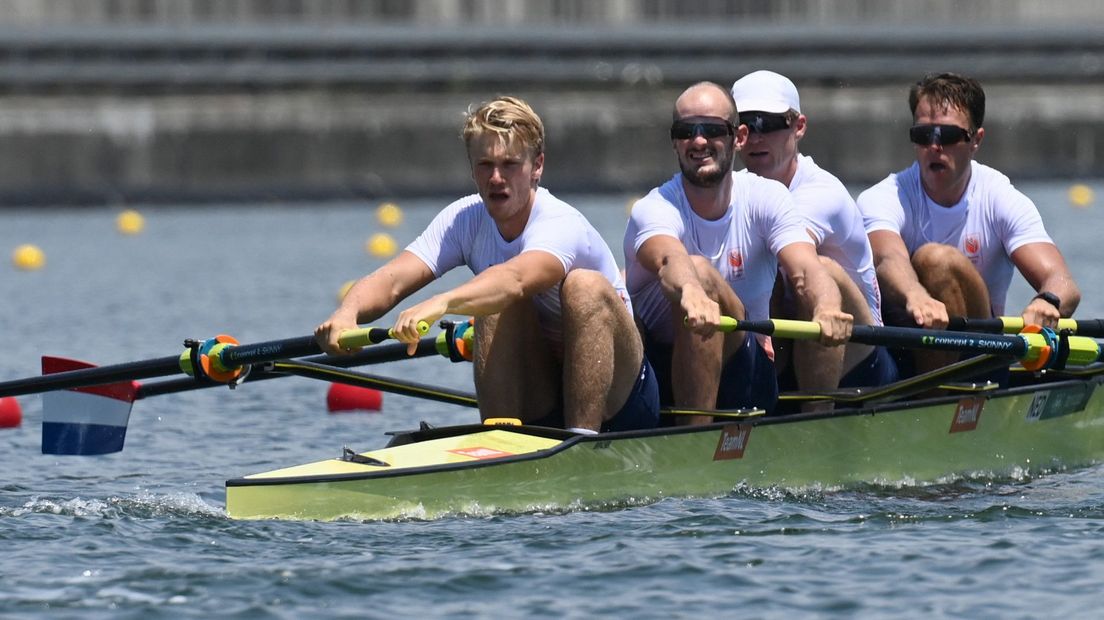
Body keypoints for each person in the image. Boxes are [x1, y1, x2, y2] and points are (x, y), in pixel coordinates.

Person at [316, 96, 659, 434]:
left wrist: (442, 302)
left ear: (536, 166)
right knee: (493, 300)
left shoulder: (560, 223)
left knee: (579, 286)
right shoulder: (463, 220)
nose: (496, 177)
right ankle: (499, 442)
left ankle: (581, 442)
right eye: (485, 165)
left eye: (510, 164)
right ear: (472, 170)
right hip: (543, 389)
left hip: (622, 399)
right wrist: (348, 314)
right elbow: (391, 280)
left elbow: (515, 279)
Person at [623, 81, 853, 423]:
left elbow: (806, 268)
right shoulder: (655, 208)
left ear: (738, 137)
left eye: (713, 130)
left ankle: (814, 427)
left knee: (820, 279)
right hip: (658, 372)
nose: (699, 141)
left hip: (748, 376)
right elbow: (670, 257)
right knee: (696, 271)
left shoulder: (767, 198)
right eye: (687, 131)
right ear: (675, 141)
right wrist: (691, 292)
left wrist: (828, 307)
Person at [857, 72, 1081, 376]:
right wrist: (916, 296)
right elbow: (886, 257)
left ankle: (938, 397)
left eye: (947, 136)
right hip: (901, 349)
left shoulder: (999, 197)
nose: (934, 147)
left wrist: (1048, 302)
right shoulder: (883, 197)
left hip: (978, 356)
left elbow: (1062, 282)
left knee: (937, 260)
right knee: (930, 260)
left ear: (976, 139)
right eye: (924, 135)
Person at [730, 70, 897, 401]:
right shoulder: (728, 191)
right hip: (791, 347)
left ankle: (811, 420)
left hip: (862, 359)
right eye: (746, 125)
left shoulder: (821, 193)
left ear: (799, 127)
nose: (756, 137)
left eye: (771, 123)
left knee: (809, 267)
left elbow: (783, 256)